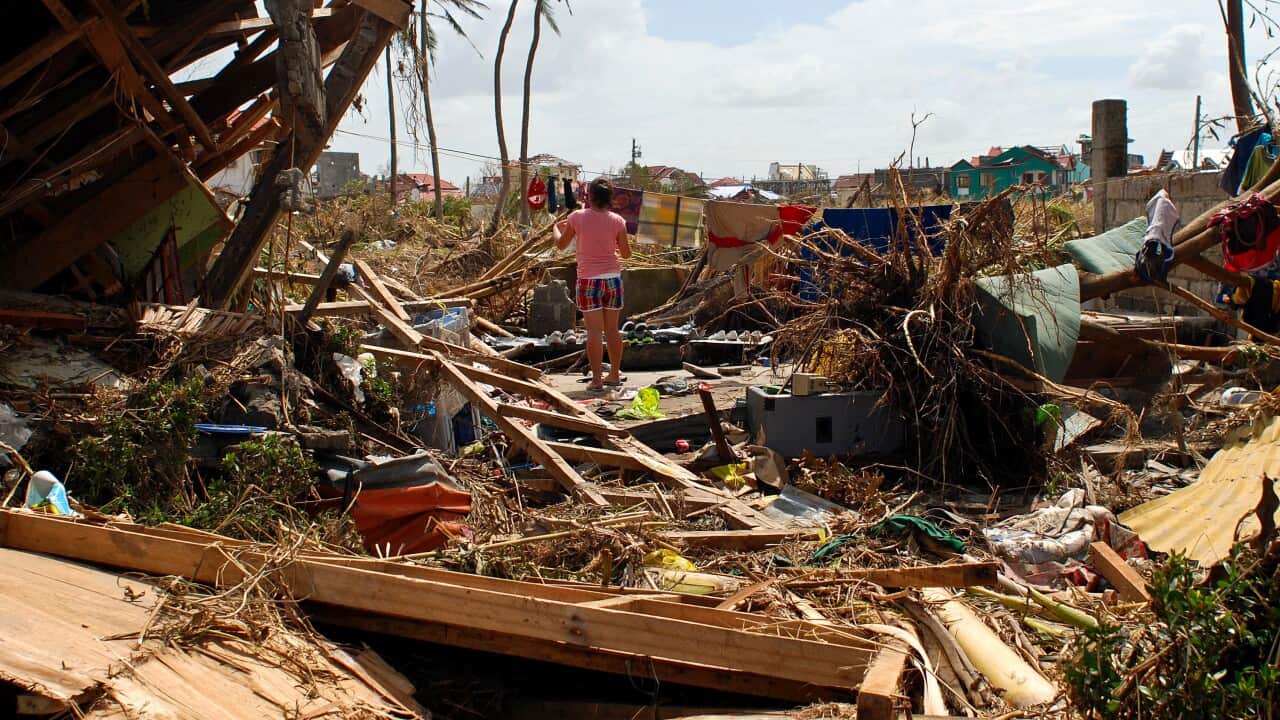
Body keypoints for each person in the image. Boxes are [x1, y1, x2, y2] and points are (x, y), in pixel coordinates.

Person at [554, 178, 632, 391]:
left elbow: (561, 245)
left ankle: (597, 380)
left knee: (594, 332)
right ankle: (614, 374)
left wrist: (555, 228)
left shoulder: (577, 217)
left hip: (589, 280)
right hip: (613, 279)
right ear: (609, 198)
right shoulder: (618, 221)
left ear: (589, 196)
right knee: (613, 330)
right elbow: (626, 253)